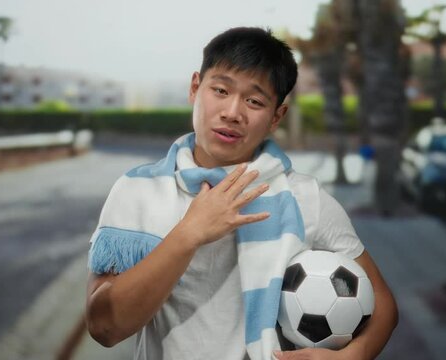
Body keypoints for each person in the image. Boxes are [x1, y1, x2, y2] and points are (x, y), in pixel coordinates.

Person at [85, 27, 398, 360]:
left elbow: (384, 305)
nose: (233, 112)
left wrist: (352, 356)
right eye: (220, 90)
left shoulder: (304, 197)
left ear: (277, 115)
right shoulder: (138, 190)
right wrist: (189, 233)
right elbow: (104, 328)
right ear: (195, 88)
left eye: (254, 101)